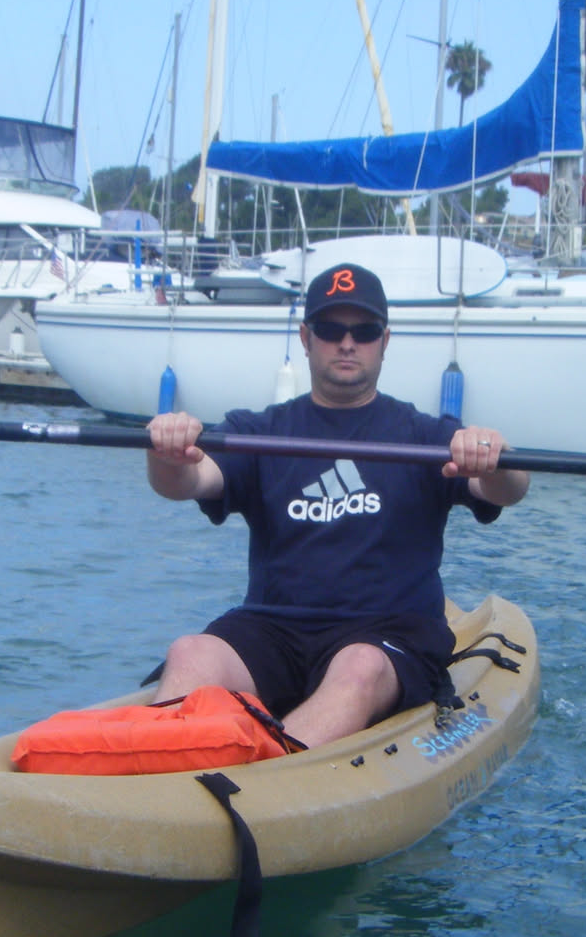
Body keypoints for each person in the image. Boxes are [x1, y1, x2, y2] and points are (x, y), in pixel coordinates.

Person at [146, 262, 529, 749]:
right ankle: (159, 766)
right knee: (190, 652)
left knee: (358, 666)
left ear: (384, 342)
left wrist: (496, 457)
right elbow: (186, 481)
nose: (347, 343)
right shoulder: (259, 431)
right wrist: (165, 452)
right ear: (306, 338)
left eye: (363, 331)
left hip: (389, 636)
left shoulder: (426, 436)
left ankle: (271, 778)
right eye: (330, 330)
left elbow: (507, 490)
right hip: (274, 629)